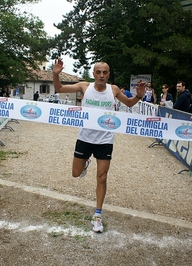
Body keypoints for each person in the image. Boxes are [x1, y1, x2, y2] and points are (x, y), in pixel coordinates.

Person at [52, 58, 145, 233]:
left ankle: (97, 215)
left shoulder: (114, 90)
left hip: (105, 139)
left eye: (105, 72)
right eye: (98, 72)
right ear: (93, 73)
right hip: (85, 137)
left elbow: (130, 103)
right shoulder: (84, 87)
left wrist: (139, 95)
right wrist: (55, 74)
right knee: (75, 173)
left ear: (108, 74)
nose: (101, 75)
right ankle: (85, 162)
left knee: (102, 177)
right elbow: (59, 89)